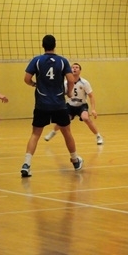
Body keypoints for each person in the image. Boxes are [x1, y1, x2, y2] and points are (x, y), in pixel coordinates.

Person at [21, 35, 83, 177]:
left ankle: (26, 164)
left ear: (42, 45)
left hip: (41, 104)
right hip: (58, 104)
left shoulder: (37, 60)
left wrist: (35, 84)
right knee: (67, 132)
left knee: (35, 134)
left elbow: (26, 79)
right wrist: (69, 92)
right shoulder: (62, 61)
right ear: (55, 45)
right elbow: (71, 79)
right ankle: (75, 160)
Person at [44, 62, 104, 145]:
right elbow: (61, 94)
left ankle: (98, 136)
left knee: (86, 118)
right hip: (70, 105)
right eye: (73, 67)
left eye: (76, 67)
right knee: (63, 120)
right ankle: (53, 132)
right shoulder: (66, 83)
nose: (74, 69)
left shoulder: (84, 83)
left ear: (80, 71)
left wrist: (93, 109)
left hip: (81, 105)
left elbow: (91, 96)